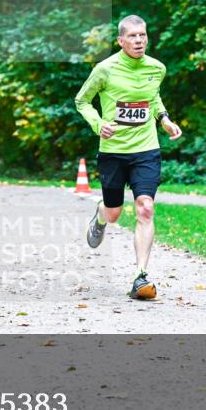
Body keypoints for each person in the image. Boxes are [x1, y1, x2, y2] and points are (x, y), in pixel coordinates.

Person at [75, 15, 182, 300]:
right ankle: (99, 215)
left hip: (146, 149)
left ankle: (140, 276)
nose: (139, 41)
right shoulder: (105, 69)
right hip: (113, 152)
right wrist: (99, 125)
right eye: (133, 36)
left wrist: (164, 119)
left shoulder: (156, 68)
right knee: (114, 213)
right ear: (121, 41)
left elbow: (152, 97)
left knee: (145, 207)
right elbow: (82, 101)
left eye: (143, 35)